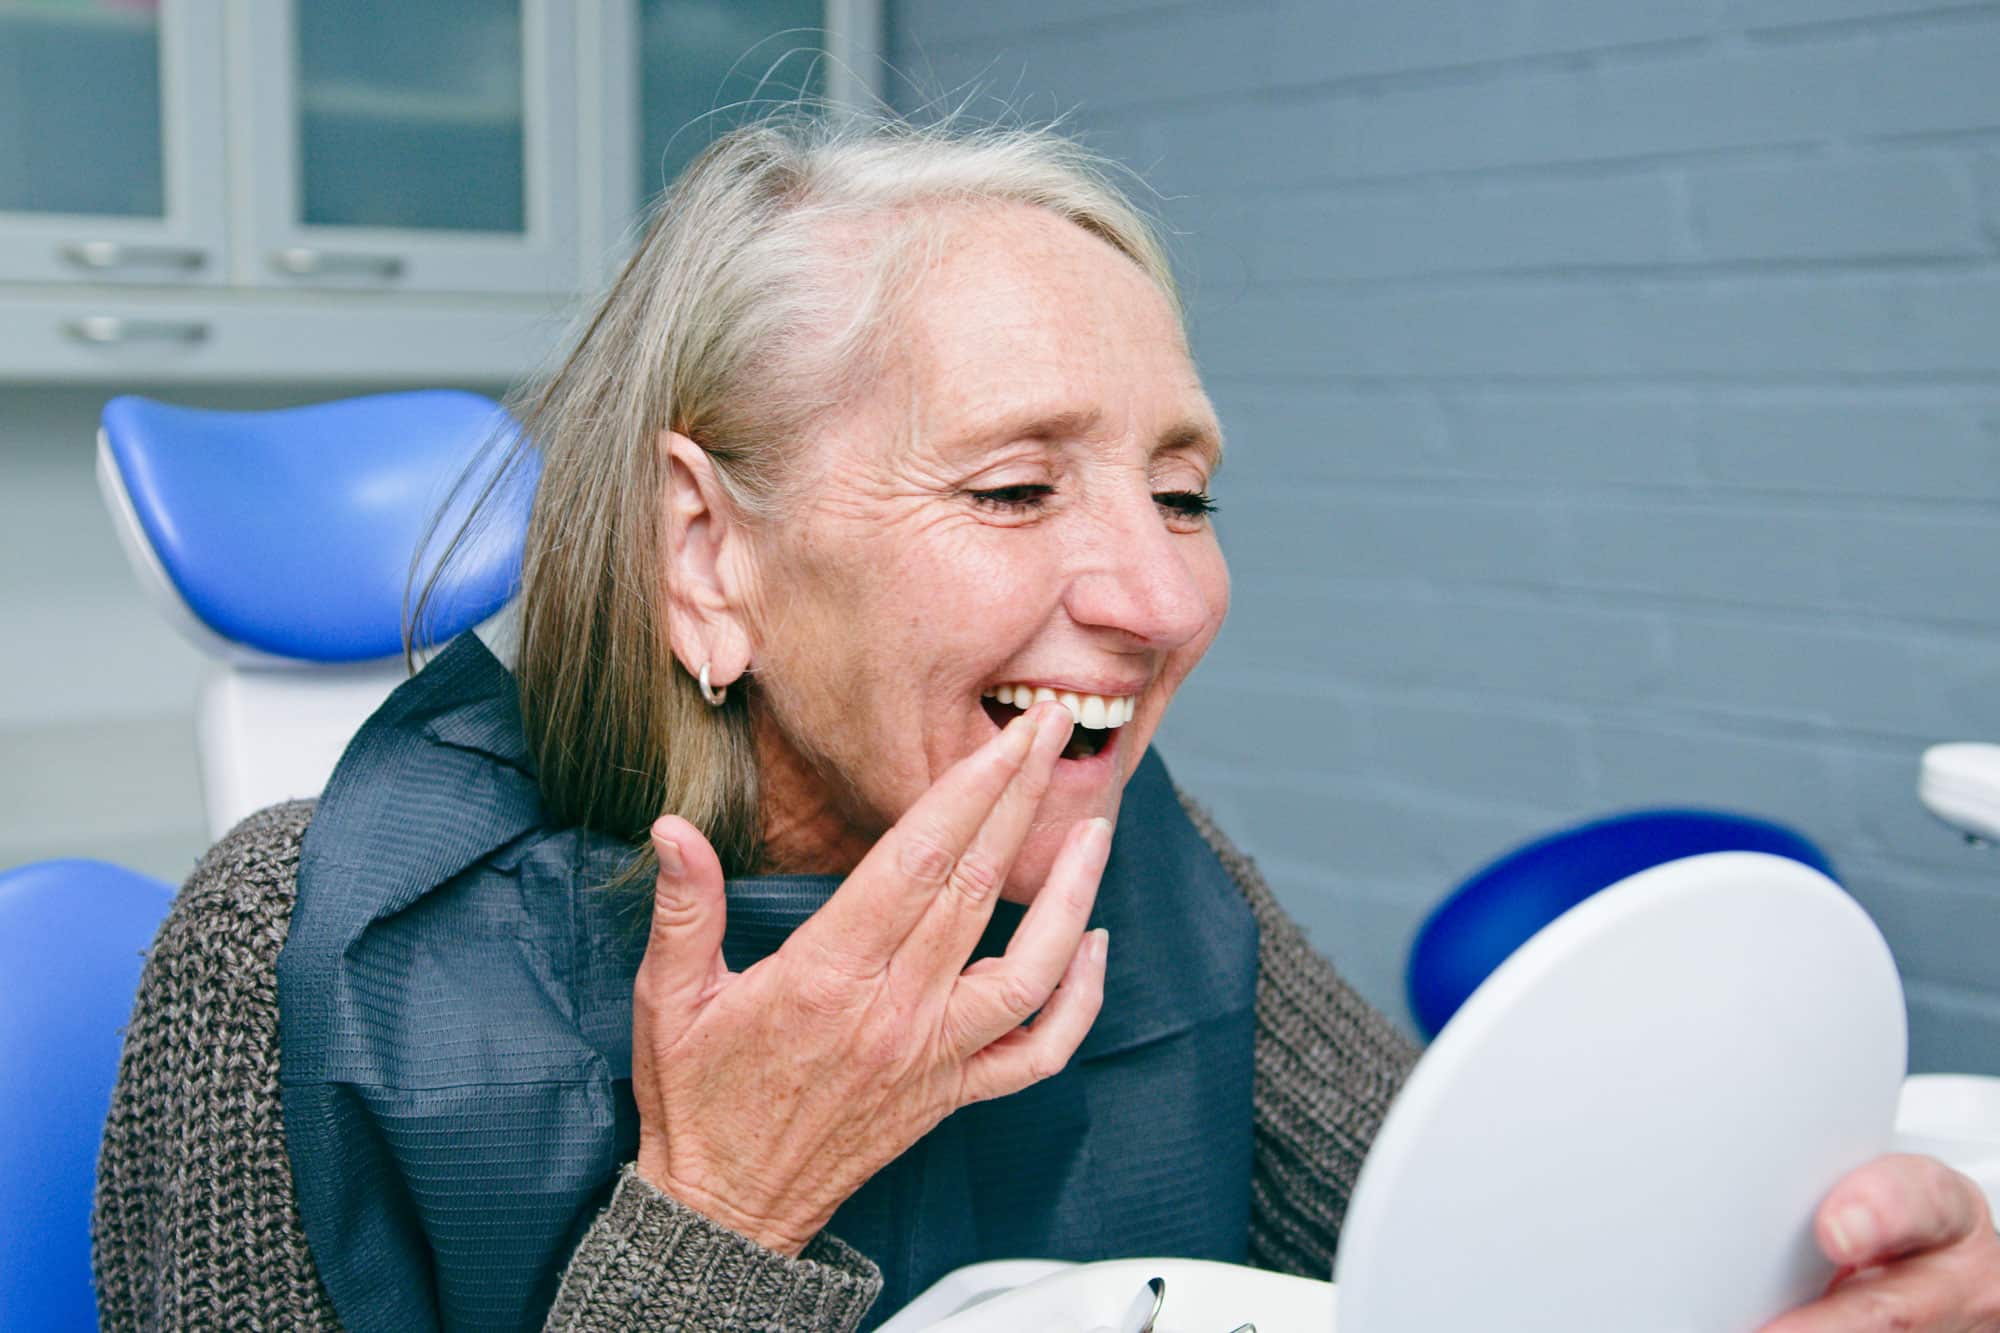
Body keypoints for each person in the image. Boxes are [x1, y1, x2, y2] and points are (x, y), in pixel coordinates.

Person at [91, 113, 1997, 1333]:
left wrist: (1804, 1277)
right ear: (708, 555)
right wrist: (724, 1209)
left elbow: (1471, 1268)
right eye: (1014, 492)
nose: (1163, 602)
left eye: (1182, 494)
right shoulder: (291, 950)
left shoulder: (1119, 845)